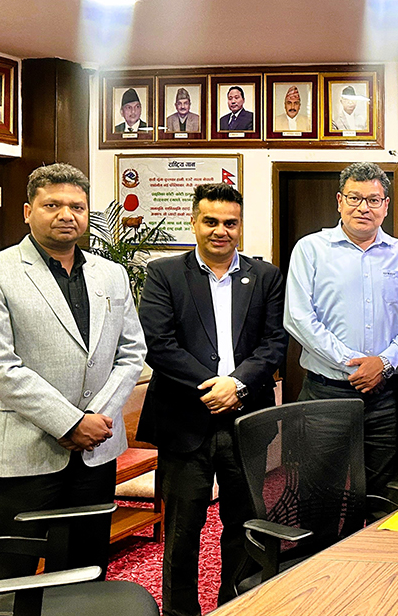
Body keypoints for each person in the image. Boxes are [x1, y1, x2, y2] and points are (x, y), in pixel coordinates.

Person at [0, 163, 146, 579]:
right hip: (25, 452)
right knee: (14, 572)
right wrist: (70, 422)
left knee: (87, 567)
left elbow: (132, 351)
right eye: (52, 205)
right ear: (28, 211)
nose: (66, 215)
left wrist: (95, 420)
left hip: (96, 451)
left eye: (77, 206)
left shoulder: (111, 275)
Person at [136, 183, 287, 616]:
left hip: (246, 421)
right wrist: (215, 386)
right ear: (194, 223)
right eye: (211, 221)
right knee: (182, 532)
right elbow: (158, 345)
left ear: (240, 226)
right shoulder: (164, 274)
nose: (221, 231)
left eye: (230, 223)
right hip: (185, 421)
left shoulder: (265, 277)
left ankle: (234, 607)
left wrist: (236, 385)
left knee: (245, 527)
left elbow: (275, 344)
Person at [284, 162, 398, 499]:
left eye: (373, 200)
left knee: (384, 497)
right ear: (340, 200)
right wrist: (354, 364)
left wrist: (383, 363)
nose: (363, 208)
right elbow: (298, 317)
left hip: (386, 398)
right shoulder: (311, 249)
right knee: (319, 497)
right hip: (326, 396)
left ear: (386, 205)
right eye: (355, 198)